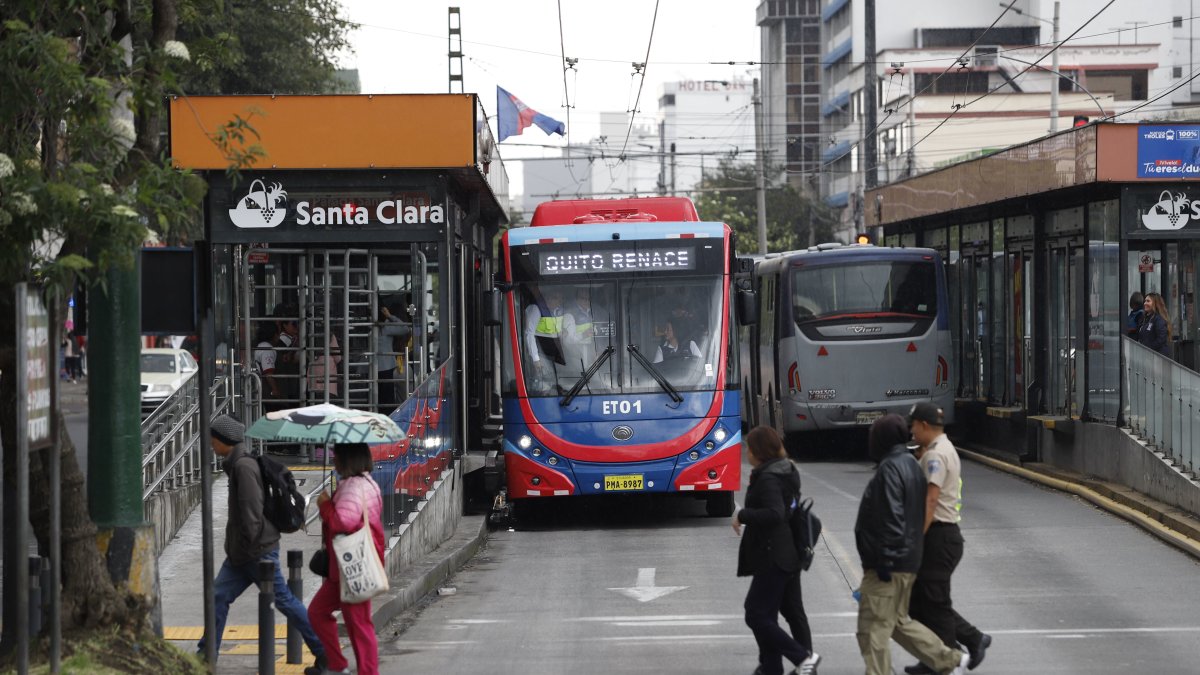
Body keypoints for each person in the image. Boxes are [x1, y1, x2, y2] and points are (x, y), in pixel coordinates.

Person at [197, 415, 326, 670]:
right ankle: (204, 657)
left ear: (225, 440)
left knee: (285, 601)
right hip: (243, 553)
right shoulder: (237, 465)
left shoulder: (243, 468)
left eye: (213, 439)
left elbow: (251, 515)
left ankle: (324, 650)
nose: (211, 444)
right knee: (218, 597)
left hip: (256, 551)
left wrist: (246, 547)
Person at [856, 414, 969, 675]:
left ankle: (948, 660)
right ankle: (950, 660)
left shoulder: (890, 469)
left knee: (872, 630)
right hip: (906, 560)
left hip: (888, 563)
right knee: (897, 623)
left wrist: (884, 559)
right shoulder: (909, 464)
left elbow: (893, 517)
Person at [903, 402, 991, 674]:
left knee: (934, 602)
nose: (911, 431)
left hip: (938, 535)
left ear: (925, 425)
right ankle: (937, 654)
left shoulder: (935, 455)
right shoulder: (944, 448)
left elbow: (931, 500)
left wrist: (917, 537)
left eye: (914, 425)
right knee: (918, 601)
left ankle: (951, 657)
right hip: (943, 535)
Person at [733, 426, 820, 675]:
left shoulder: (769, 478)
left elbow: (775, 513)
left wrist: (742, 514)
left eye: (748, 447)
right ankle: (771, 667)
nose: (746, 452)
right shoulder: (782, 470)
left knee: (756, 614)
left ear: (758, 451)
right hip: (786, 552)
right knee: (777, 613)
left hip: (774, 556)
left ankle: (803, 658)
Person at [307, 443, 384, 675]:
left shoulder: (353, 487)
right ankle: (337, 665)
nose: (334, 461)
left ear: (347, 460)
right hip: (345, 567)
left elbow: (343, 522)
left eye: (337, 457)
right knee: (319, 612)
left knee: (358, 624)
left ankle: (358, 670)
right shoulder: (367, 483)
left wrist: (325, 505)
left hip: (353, 567)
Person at [523, 287, 576, 386]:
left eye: (561, 299)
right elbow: (529, 334)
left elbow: (552, 330)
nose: (559, 302)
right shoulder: (536, 309)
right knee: (544, 383)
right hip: (540, 353)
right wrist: (536, 359)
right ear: (547, 298)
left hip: (554, 353)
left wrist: (563, 333)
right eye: (556, 298)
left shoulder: (558, 310)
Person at [376, 304, 412, 412]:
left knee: (376, 399)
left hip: (369, 367)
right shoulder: (385, 328)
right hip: (385, 367)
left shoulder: (367, 327)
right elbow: (405, 328)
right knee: (386, 401)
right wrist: (390, 316)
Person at [1137, 292, 1172, 357]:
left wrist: (1149, 348)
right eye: (1145, 301)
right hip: (1148, 356)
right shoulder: (1145, 318)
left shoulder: (1159, 319)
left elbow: (1161, 338)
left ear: (1155, 303)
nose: (1145, 303)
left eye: (1148, 301)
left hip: (1158, 357)